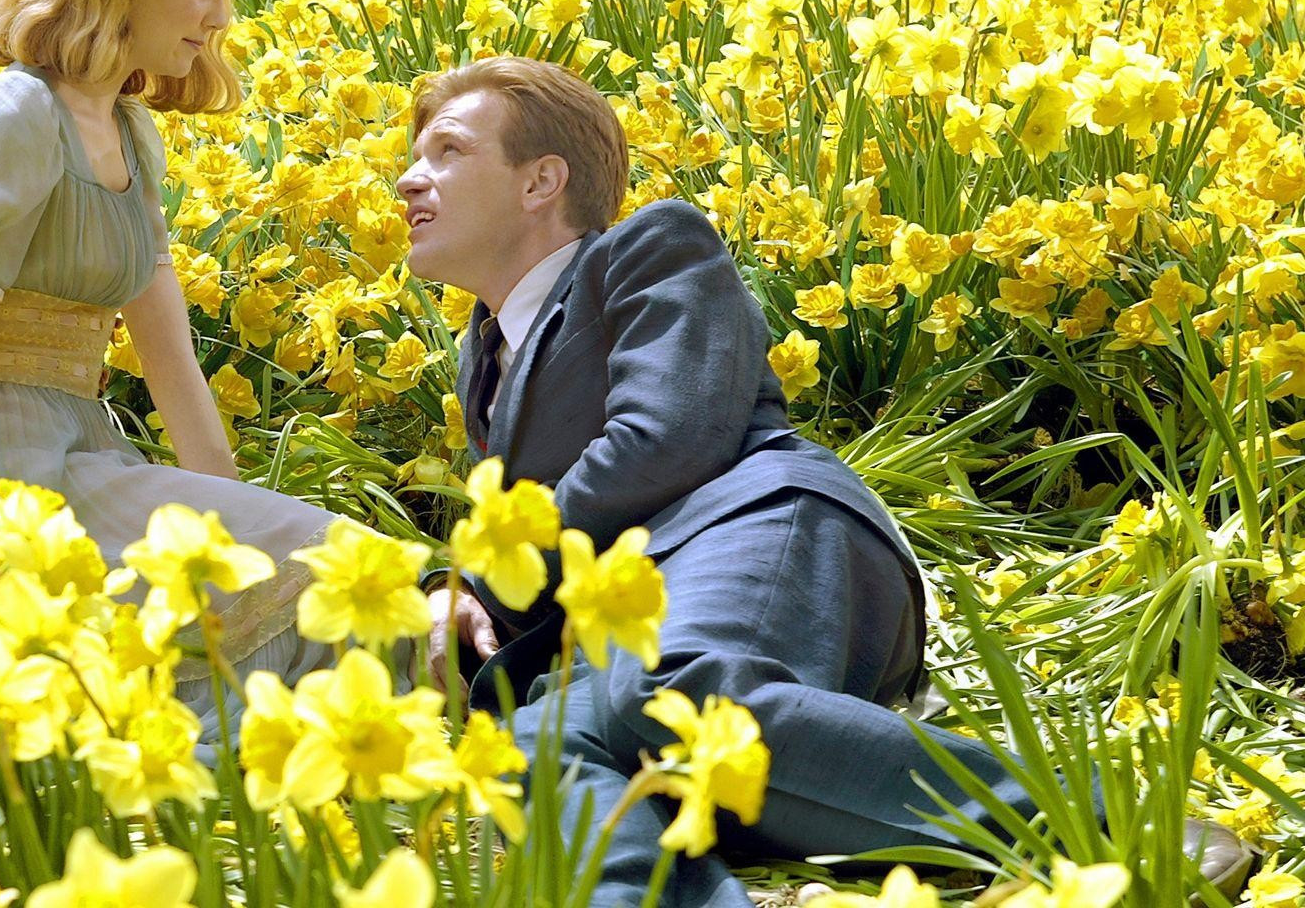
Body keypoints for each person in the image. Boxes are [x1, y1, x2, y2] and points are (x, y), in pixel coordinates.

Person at [399, 57, 1254, 907]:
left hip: (754, 523)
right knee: (537, 744)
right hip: (635, 600)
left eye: (446, 150)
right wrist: (458, 592)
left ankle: (1121, 828)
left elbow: (667, 438)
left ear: (541, 180)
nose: (409, 178)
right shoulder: (484, 349)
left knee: (680, 692)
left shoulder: (649, 249)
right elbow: (527, 533)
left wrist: (481, 571)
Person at [0, 0, 331, 740]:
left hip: (88, 457)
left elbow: (173, 367)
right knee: (336, 564)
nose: (220, 15)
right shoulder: (10, 116)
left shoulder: (130, 133)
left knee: (324, 577)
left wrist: (243, 528)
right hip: (2, 480)